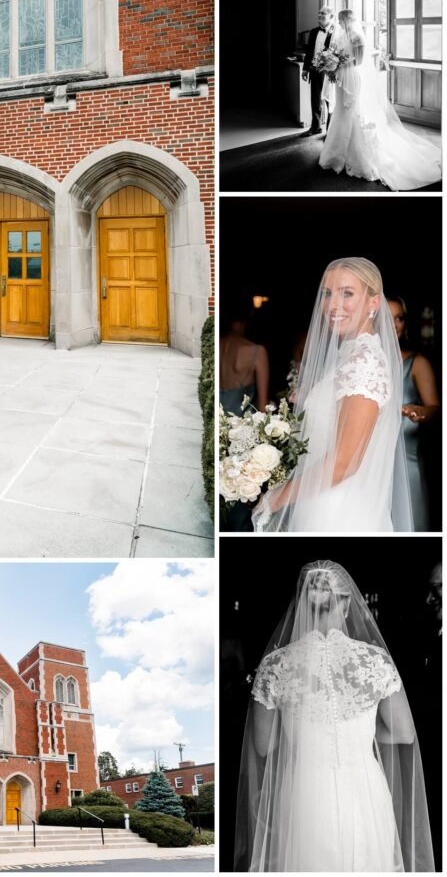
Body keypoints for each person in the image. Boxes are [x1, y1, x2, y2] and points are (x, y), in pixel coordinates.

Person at [234, 561, 434, 872]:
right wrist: (362, 730)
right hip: (365, 790)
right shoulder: (374, 660)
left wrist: (302, 728)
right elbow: (405, 733)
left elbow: (263, 745)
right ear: (346, 602)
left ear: (302, 603)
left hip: (304, 793)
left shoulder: (276, 666)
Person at [253, 258, 412, 531]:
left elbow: (345, 462)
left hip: (338, 509)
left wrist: (277, 497)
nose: (332, 304)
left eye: (347, 293)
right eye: (327, 293)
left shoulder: (365, 362)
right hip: (319, 497)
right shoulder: (349, 354)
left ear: (373, 303)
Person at [319, 9, 441, 190]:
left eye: (341, 19)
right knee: (340, 112)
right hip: (340, 79)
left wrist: (337, 62)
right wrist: (330, 62)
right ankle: (335, 154)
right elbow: (335, 52)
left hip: (352, 78)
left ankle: (356, 156)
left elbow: (358, 62)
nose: (339, 21)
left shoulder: (357, 37)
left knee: (352, 112)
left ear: (348, 19)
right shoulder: (341, 35)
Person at [387, 296, 440, 532]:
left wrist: (420, 411)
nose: (395, 325)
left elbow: (435, 408)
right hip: (368, 473)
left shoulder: (417, 363)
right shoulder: (357, 364)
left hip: (409, 470)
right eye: (387, 318)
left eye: (399, 318)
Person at [220, 305, 270, 416]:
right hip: (243, 428)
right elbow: (263, 407)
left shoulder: (217, 345)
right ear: (250, 313)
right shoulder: (256, 352)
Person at [302, 6, 335, 136]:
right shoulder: (314, 31)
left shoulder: (335, 31)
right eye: (319, 13)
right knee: (315, 99)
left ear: (331, 17)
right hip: (314, 69)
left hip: (328, 71)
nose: (320, 15)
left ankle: (330, 130)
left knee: (329, 100)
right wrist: (305, 69)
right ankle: (315, 127)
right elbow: (309, 51)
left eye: (323, 14)